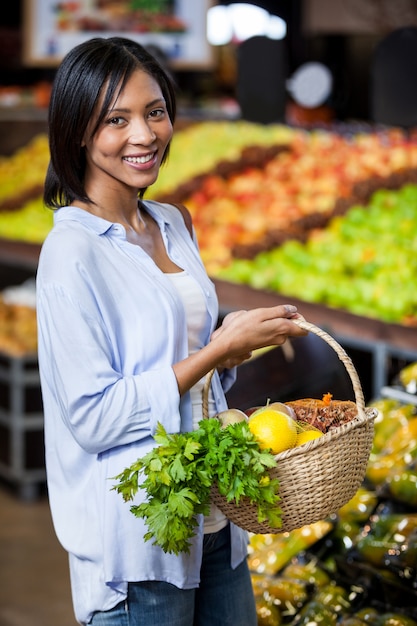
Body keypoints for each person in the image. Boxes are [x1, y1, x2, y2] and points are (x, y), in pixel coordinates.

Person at [36, 37, 307, 626]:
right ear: (79, 130)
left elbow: (191, 361)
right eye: (117, 119)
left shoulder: (172, 222)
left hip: (216, 515)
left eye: (155, 112)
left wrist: (231, 341)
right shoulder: (71, 252)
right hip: (140, 541)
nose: (144, 134)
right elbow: (94, 417)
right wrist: (215, 352)